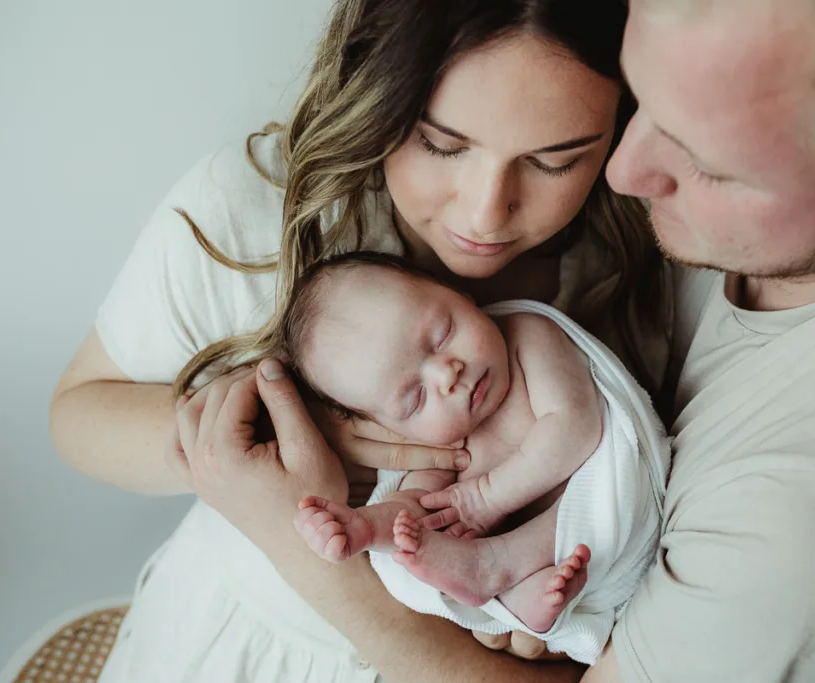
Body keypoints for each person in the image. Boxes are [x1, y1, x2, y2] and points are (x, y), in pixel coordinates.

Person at [160, 0, 815, 682]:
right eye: (643, 101)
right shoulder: (803, 172)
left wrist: (297, 541)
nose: (623, 173)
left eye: (708, 161)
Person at [49, 0, 675, 681]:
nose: (485, 213)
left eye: (555, 162)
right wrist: (260, 447)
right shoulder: (256, 212)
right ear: (378, 90)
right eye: (442, 144)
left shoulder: (635, 274)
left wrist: (545, 615)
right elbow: (77, 414)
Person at [284, 251, 667, 662]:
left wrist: (487, 497)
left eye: (442, 334)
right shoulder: (440, 445)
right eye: (414, 398)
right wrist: (365, 526)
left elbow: (576, 429)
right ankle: (520, 597)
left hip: (616, 521)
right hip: (570, 576)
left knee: (601, 490)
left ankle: (499, 567)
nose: (447, 373)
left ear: (459, 293)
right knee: (402, 560)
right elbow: (419, 507)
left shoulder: (528, 339)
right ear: (392, 429)